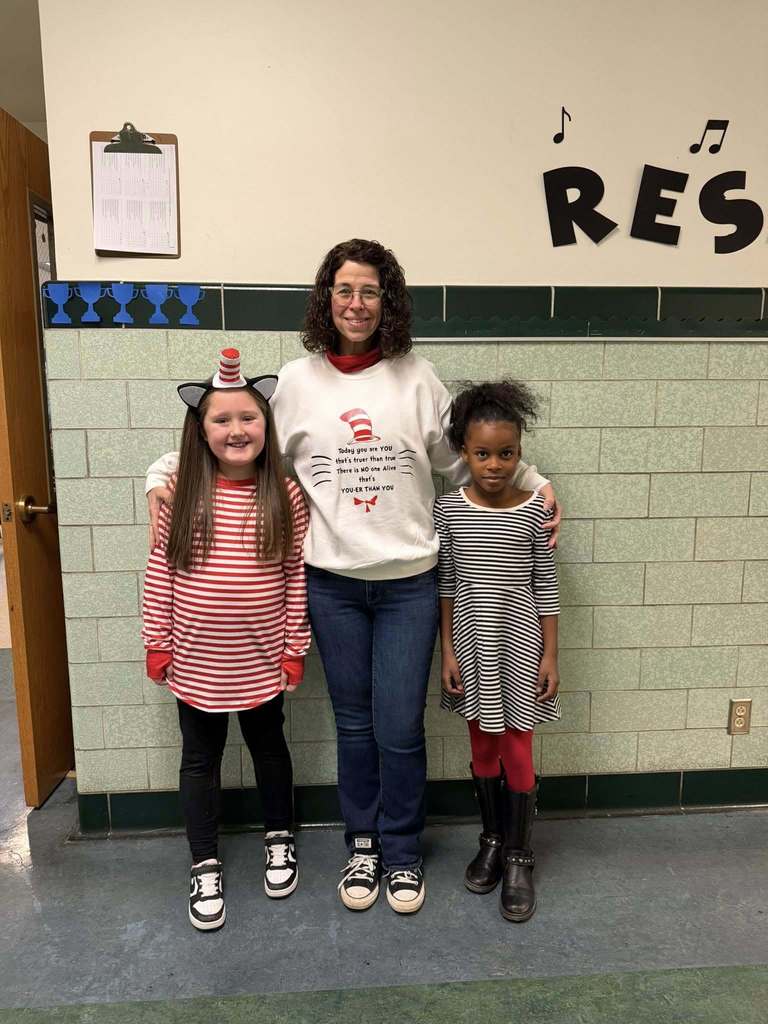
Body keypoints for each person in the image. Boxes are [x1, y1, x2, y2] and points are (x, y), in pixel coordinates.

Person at [146, 239, 561, 915]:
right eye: (345, 290)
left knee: (400, 727)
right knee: (355, 728)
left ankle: (402, 854)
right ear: (326, 299)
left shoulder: (418, 378)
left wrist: (537, 485)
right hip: (331, 586)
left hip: (408, 585)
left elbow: (463, 464)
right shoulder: (297, 382)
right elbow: (232, 436)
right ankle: (361, 847)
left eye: (370, 291)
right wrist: (158, 478)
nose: (357, 303)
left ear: (388, 301)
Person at [142, 349, 309, 931]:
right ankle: (204, 861)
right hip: (194, 663)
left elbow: (295, 578)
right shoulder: (178, 492)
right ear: (201, 428)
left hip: (263, 660)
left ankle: (279, 836)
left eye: (249, 418)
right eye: (221, 419)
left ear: (267, 425)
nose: (237, 429)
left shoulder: (285, 496)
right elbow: (160, 569)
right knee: (200, 761)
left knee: (270, 749)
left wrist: (295, 646)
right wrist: (155, 640)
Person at [434, 379, 560, 923]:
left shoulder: (535, 510)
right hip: (470, 648)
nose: (494, 464)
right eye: (482, 453)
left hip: (522, 649)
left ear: (519, 453)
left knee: (518, 751)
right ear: (463, 452)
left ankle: (519, 855)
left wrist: (551, 656)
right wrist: (448, 653)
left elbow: (547, 587)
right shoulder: (446, 510)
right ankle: (490, 839)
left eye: (506, 453)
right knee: (483, 749)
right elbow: (445, 587)